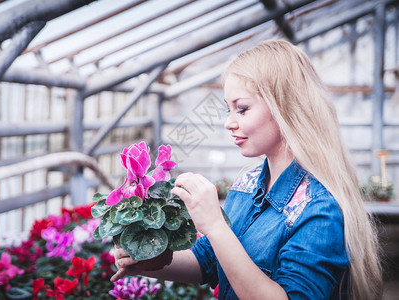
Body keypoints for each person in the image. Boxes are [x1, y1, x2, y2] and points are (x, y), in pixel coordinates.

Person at [111, 40, 383, 300]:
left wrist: (216, 226)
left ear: (284, 107)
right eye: (228, 109)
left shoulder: (319, 208)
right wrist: (146, 259)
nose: (229, 123)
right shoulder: (247, 184)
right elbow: (208, 261)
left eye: (241, 109)